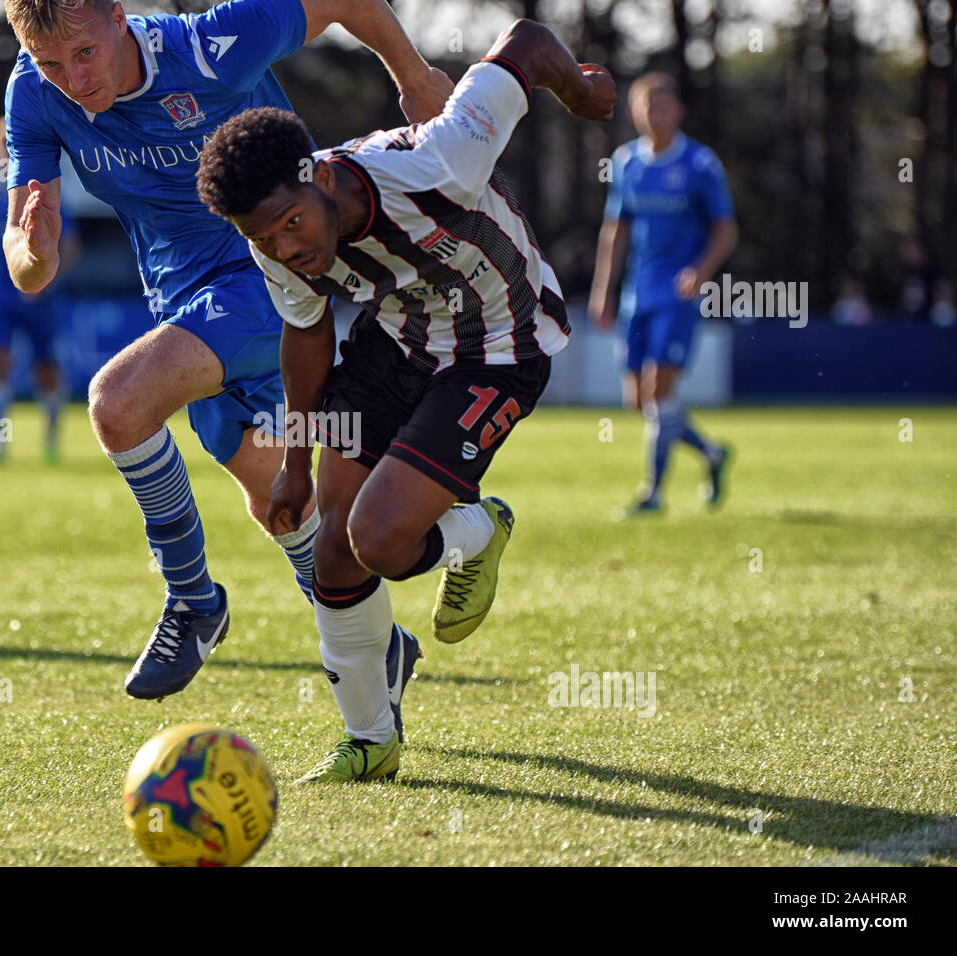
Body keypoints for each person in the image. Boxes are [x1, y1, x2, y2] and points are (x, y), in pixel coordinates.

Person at [197, 18, 615, 781]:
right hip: (396, 346)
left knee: (382, 541)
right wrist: (294, 462)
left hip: (499, 349)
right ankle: (371, 740)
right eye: (267, 239)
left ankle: (478, 531)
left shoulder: (437, 160)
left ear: (320, 177)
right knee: (332, 547)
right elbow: (308, 337)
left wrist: (582, 93)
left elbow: (522, 44)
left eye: (293, 223)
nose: (288, 248)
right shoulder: (275, 242)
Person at [2, 0, 452, 702]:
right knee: (277, 499)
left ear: (119, 17)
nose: (72, 79)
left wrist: (415, 78)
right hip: (183, 302)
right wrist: (33, 250)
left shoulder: (211, 47)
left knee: (117, 404)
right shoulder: (31, 92)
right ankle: (379, 644)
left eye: (84, 54)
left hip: (273, 278)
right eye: (50, 62)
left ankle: (193, 601)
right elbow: (27, 263)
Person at [588, 72, 737, 515]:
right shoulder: (625, 162)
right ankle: (710, 453)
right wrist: (604, 290)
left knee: (659, 391)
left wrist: (700, 270)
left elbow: (726, 229)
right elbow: (615, 229)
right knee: (639, 401)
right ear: (634, 113)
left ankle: (652, 493)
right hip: (639, 291)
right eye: (645, 106)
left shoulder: (699, 163)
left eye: (663, 105)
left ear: (678, 111)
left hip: (679, 293)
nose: (655, 114)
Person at [0, 117, 79, 464]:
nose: (0, 160)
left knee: (45, 367)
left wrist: (47, 278)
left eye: (6, 151)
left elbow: (70, 245)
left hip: (39, 296)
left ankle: (50, 438)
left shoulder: (42, 196)